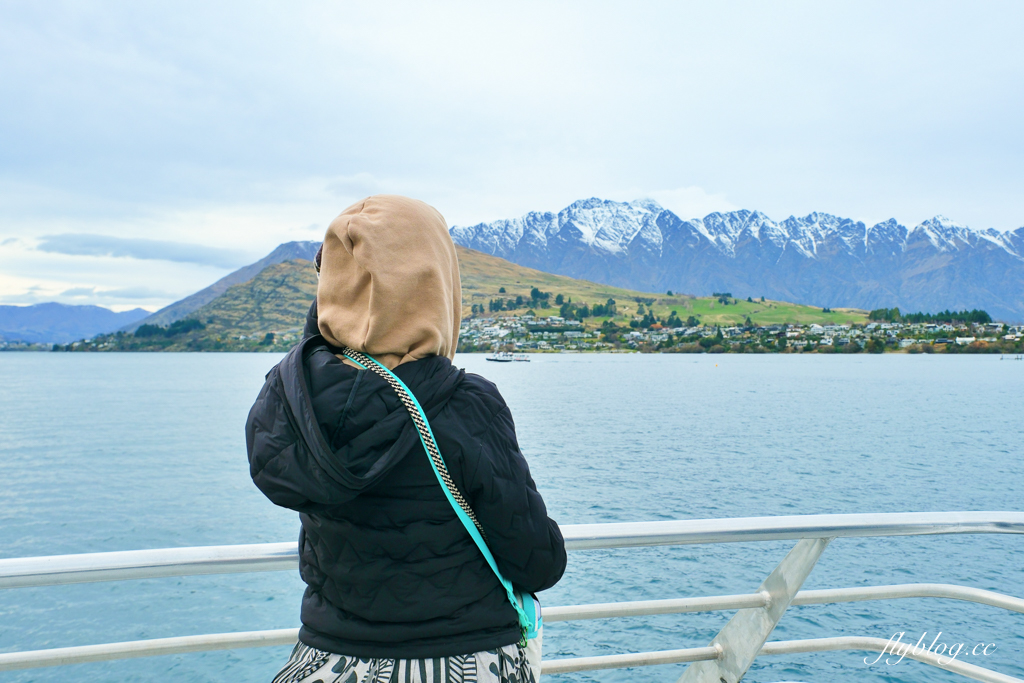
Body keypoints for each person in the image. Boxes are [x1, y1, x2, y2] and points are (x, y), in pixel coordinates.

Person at [246, 195, 567, 683]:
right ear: (434, 285)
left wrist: (338, 316)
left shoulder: (289, 399)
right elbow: (537, 562)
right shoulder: (464, 403)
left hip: (328, 661)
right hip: (463, 658)